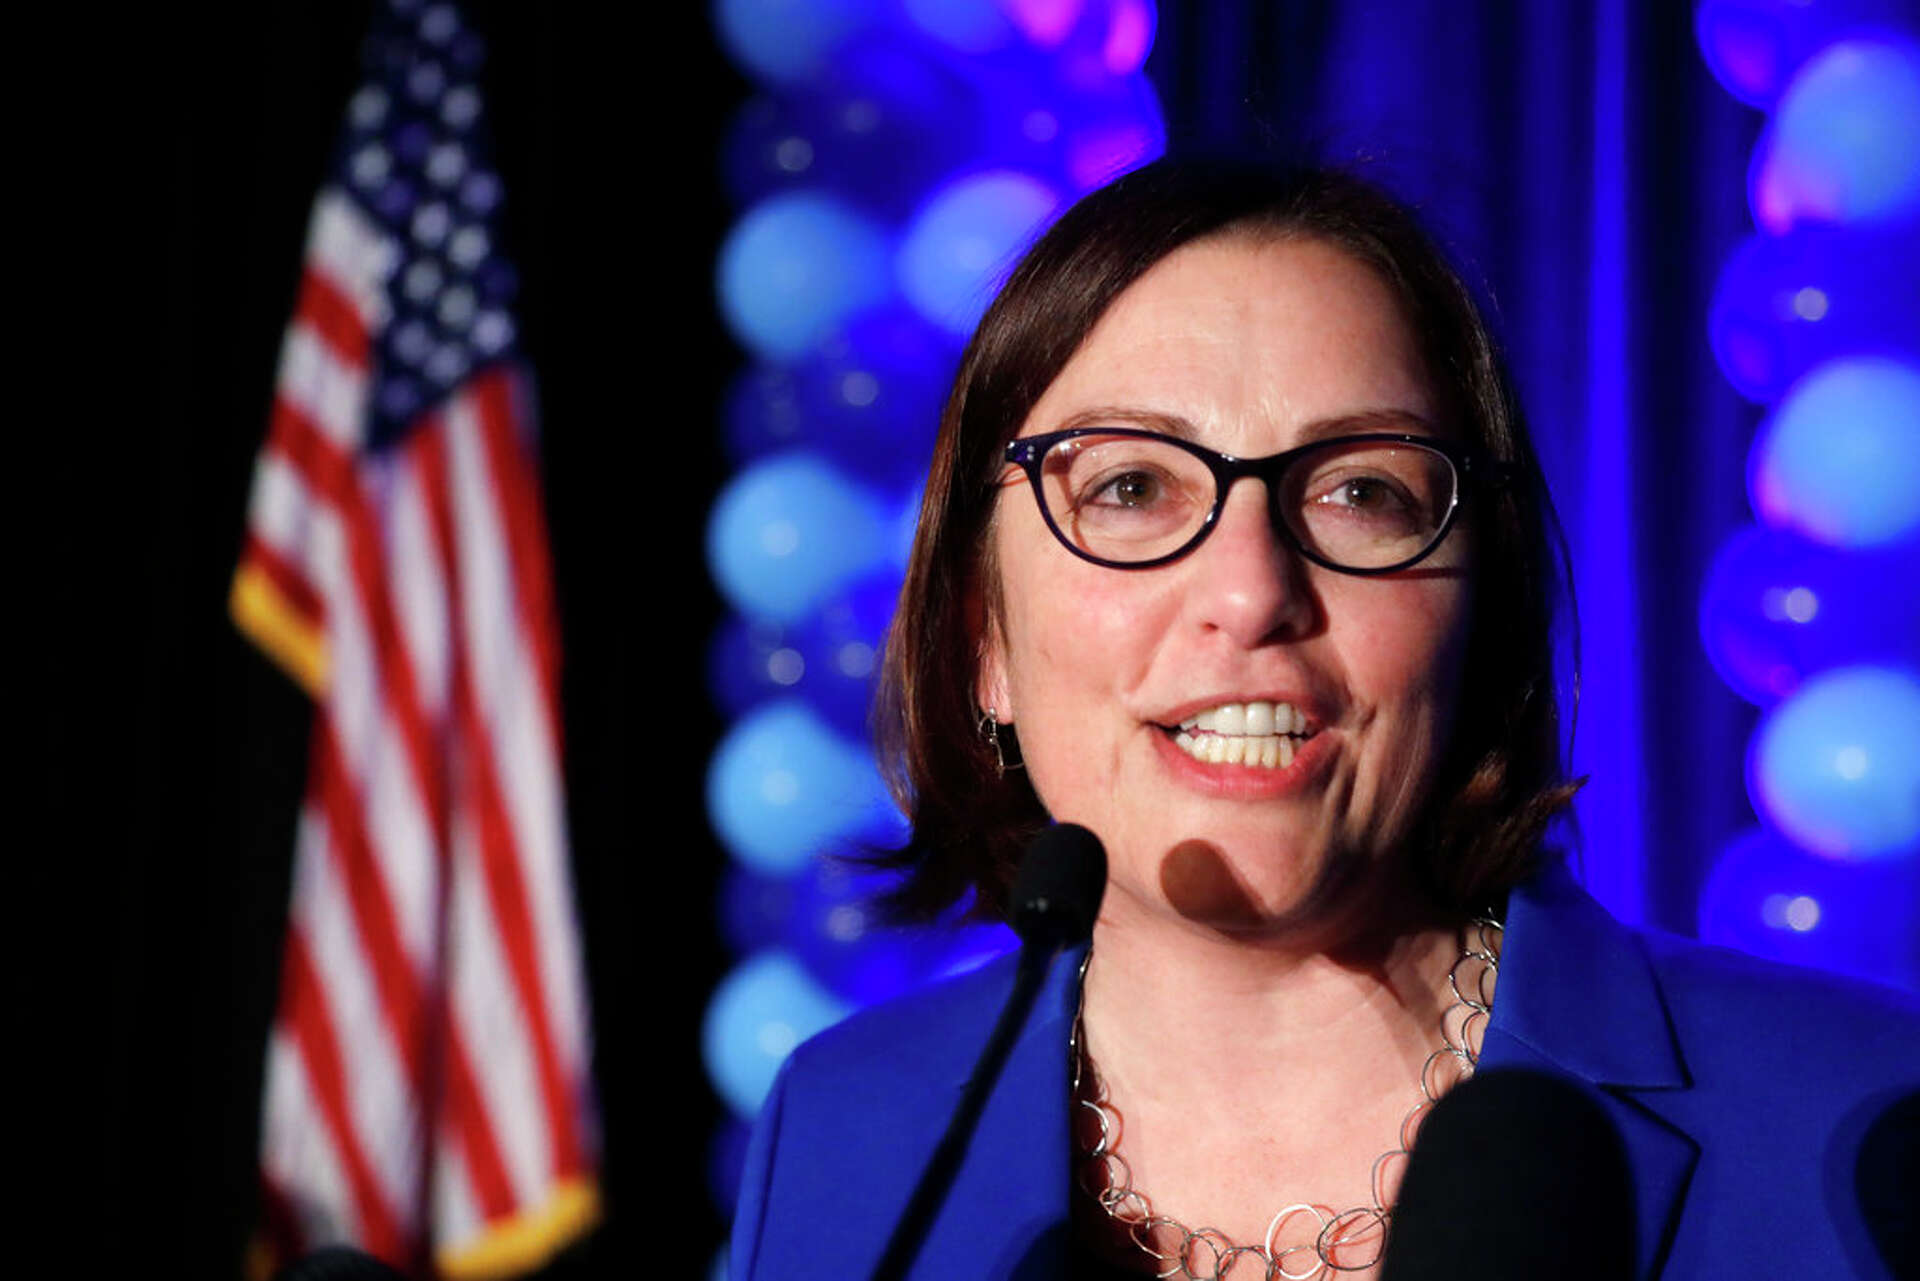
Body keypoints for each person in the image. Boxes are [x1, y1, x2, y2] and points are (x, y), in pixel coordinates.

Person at [727, 161, 1920, 1280]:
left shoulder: (1863, 1113)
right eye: (1131, 486)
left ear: (1483, 613)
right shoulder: (842, 1136)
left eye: (1359, 491)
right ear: (983, 638)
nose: (1252, 592)